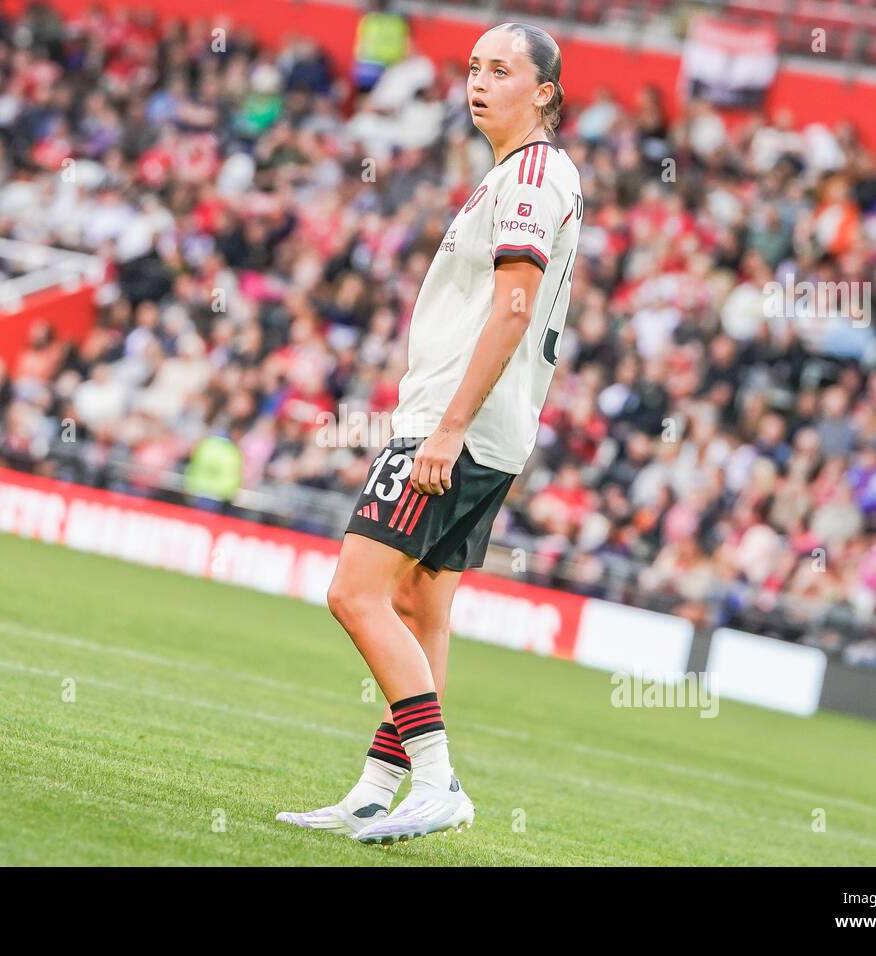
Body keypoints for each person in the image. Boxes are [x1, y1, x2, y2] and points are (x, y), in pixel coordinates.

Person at [276, 22, 583, 845]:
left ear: (544, 93)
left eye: (503, 71)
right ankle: (380, 791)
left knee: (355, 593)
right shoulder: (525, 175)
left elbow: (513, 308)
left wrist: (445, 430)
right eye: (475, 67)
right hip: (490, 428)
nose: (479, 83)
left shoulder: (531, 174)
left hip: (455, 425)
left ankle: (439, 782)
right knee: (420, 609)